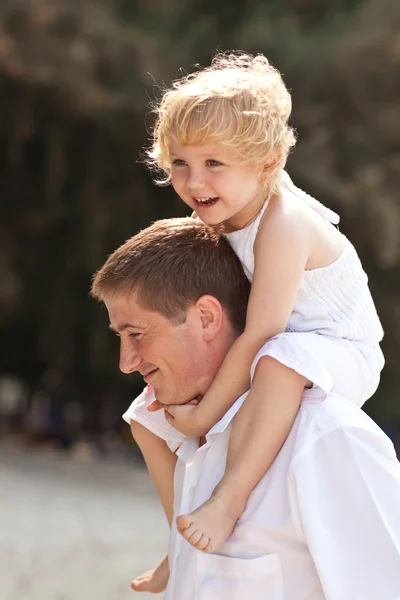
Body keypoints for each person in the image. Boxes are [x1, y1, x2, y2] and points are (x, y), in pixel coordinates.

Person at [135, 49, 385, 560]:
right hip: (282, 346)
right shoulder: (223, 216)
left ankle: (227, 501)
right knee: (145, 413)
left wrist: (204, 417)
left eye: (213, 164)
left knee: (278, 359)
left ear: (267, 162)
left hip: (341, 351)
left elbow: (262, 332)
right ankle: (174, 543)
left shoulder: (283, 223)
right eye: (180, 163)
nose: (194, 181)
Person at [91, 217, 400, 599]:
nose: (126, 361)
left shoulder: (326, 439)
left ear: (206, 318)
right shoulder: (182, 440)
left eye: (136, 334)